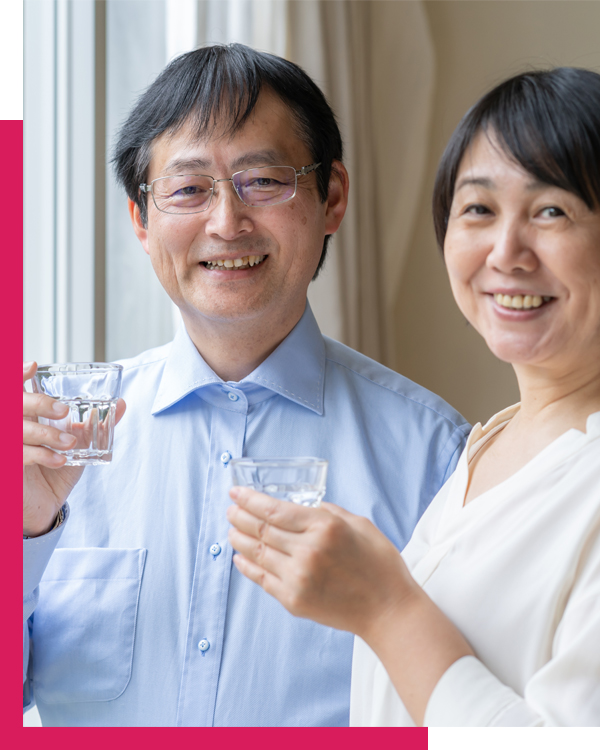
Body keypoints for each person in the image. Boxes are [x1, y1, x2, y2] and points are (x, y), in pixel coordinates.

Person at [22, 44, 469, 727]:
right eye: (189, 188)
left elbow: (466, 711)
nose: (227, 222)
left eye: (263, 180)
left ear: (333, 199)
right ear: (142, 221)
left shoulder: (436, 456)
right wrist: (22, 529)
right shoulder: (56, 448)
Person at [227, 67, 600, 727]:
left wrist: (385, 607)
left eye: (551, 211)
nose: (506, 252)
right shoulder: (489, 443)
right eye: (479, 209)